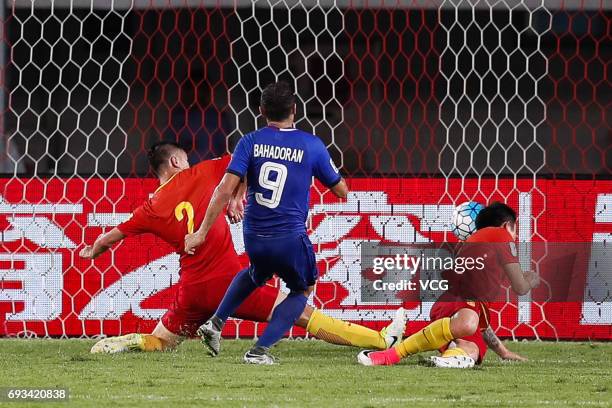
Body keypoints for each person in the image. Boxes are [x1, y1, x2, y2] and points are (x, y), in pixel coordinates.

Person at [81, 141, 405, 354]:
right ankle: (381, 340)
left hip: (192, 290)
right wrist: (237, 197)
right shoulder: (202, 171)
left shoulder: (150, 208)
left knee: (163, 342)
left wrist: (92, 250)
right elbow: (250, 164)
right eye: (186, 158)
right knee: (302, 311)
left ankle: (133, 341)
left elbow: (111, 237)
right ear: (178, 160)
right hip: (226, 282)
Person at [184, 81, 351, 364]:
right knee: (302, 289)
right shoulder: (311, 145)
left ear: (261, 111)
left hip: (255, 235)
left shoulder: (249, 141)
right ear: (294, 110)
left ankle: (216, 322)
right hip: (289, 236)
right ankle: (259, 351)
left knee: (254, 273)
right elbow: (341, 191)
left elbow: (224, 189)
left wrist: (201, 232)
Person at [357, 202, 538, 367]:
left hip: (448, 308)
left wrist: (503, 352)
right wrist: (531, 278)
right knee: (468, 323)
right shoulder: (500, 235)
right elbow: (520, 287)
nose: (514, 237)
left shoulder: (481, 255)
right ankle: (391, 355)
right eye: (515, 231)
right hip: (455, 304)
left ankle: (447, 358)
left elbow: (481, 322)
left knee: (472, 351)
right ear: (507, 226)